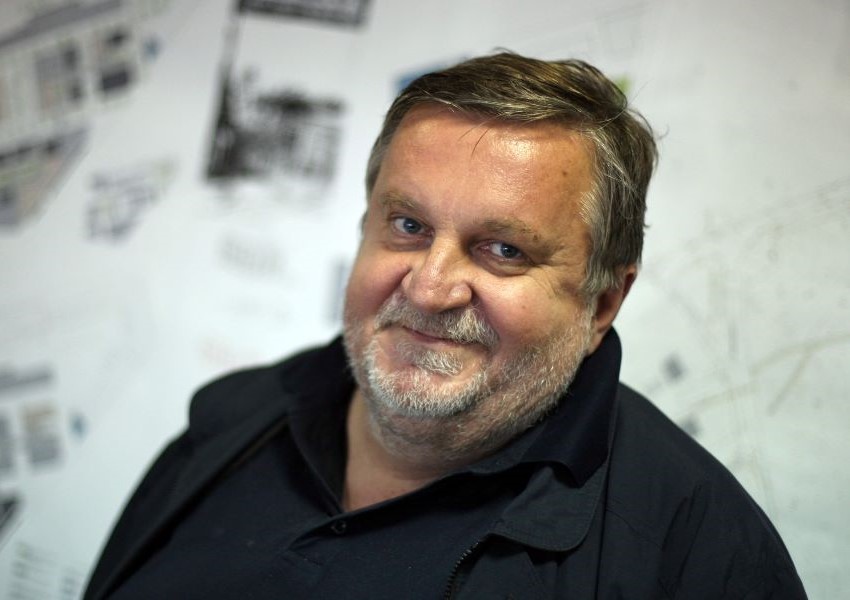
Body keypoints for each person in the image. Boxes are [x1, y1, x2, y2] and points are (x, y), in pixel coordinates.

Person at [84, 53, 807, 599]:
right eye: (407, 226)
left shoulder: (695, 551)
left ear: (602, 304)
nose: (429, 289)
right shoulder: (230, 425)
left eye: (504, 249)